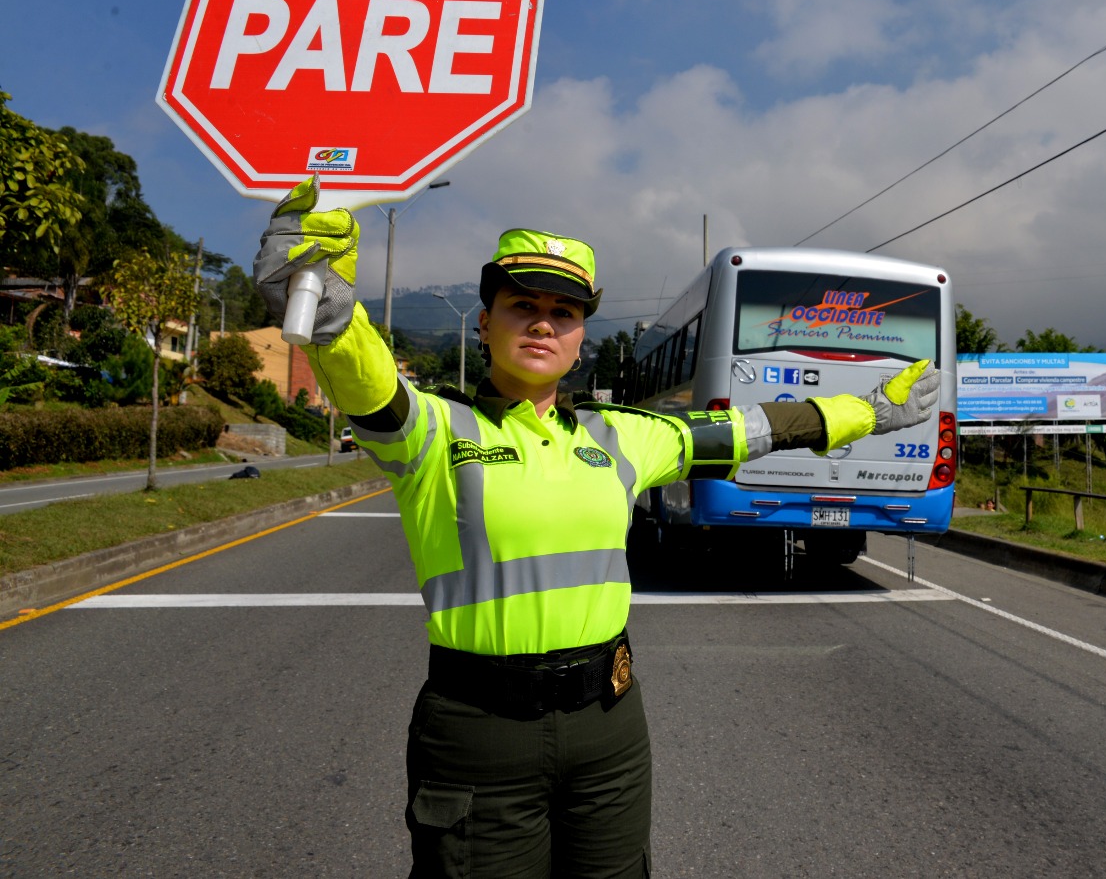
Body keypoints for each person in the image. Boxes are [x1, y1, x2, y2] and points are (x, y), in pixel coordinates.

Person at [252, 178, 940, 879]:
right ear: (484, 321)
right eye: (523, 306)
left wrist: (870, 412)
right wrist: (323, 294)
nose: (544, 324)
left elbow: (751, 428)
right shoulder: (429, 429)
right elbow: (361, 373)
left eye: (565, 311)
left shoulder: (623, 436)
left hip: (608, 727)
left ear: (582, 337)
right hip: (480, 731)